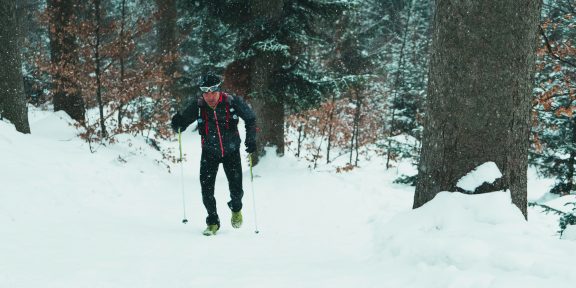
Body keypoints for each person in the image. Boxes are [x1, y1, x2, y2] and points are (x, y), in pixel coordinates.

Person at [171, 73, 257, 236]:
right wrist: (177, 123)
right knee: (206, 189)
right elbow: (182, 123)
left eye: (212, 92)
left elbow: (250, 118)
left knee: (237, 190)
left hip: (231, 151)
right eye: (205, 93)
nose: (209, 96)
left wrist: (251, 140)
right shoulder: (198, 106)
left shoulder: (232, 102)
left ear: (218, 90)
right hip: (209, 152)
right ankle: (212, 221)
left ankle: (236, 207)